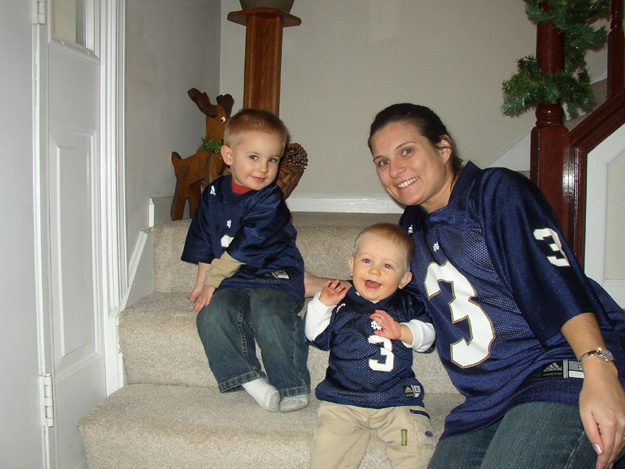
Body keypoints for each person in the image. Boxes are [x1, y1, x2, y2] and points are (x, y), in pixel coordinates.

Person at [364, 102, 625, 469]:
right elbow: (395, 291)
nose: (395, 170)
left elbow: (552, 277)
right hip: (484, 401)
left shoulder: (495, 192)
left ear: (443, 148)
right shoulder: (411, 227)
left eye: (407, 151)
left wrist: (598, 368)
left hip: (555, 369)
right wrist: (308, 284)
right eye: (382, 161)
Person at [181, 108, 310, 413]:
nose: (264, 168)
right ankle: (249, 379)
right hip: (231, 278)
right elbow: (204, 239)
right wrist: (203, 284)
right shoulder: (212, 193)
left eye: (272, 159)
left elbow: (246, 244)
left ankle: (290, 383)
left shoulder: (270, 199)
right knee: (210, 315)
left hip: (273, 275)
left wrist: (213, 279)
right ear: (228, 155)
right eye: (253, 157)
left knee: (269, 314)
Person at [305, 223, 437, 469]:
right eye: (366, 261)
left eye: (387, 266)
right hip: (342, 400)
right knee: (325, 456)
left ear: (404, 279)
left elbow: (428, 336)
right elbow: (315, 336)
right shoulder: (341, 304)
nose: (374, 271)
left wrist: (403, 331)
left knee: (416, 451)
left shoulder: (407, 305)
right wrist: (322, 305)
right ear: (351, 265)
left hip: (396, 399)